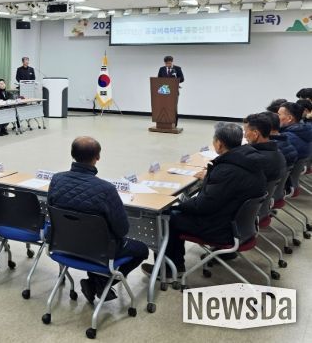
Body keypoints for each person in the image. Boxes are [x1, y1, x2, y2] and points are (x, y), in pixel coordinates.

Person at [141, 123, 266, 278]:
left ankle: (167, 270)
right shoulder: (249, 162)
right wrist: (210, 178)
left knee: (166, 217)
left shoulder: (226, 170)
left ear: (219, 144)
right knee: (175, 212)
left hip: (221, 229)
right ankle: (175, 265)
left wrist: (177, 206)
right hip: (240, 225)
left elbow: (202, 206)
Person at [48, 136, 148, 303]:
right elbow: (122, 229)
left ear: (72, 154)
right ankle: (101, 283)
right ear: (98, 157)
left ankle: (95, 283)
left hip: (64, 245)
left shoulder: (56, 180)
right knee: (142, 250)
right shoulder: (106, 190)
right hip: (99, 251)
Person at [243, 113, 287, 184]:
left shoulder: (252, 159)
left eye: (246, 132)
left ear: (255, 133)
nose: (245, 136)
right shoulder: (279, 154)